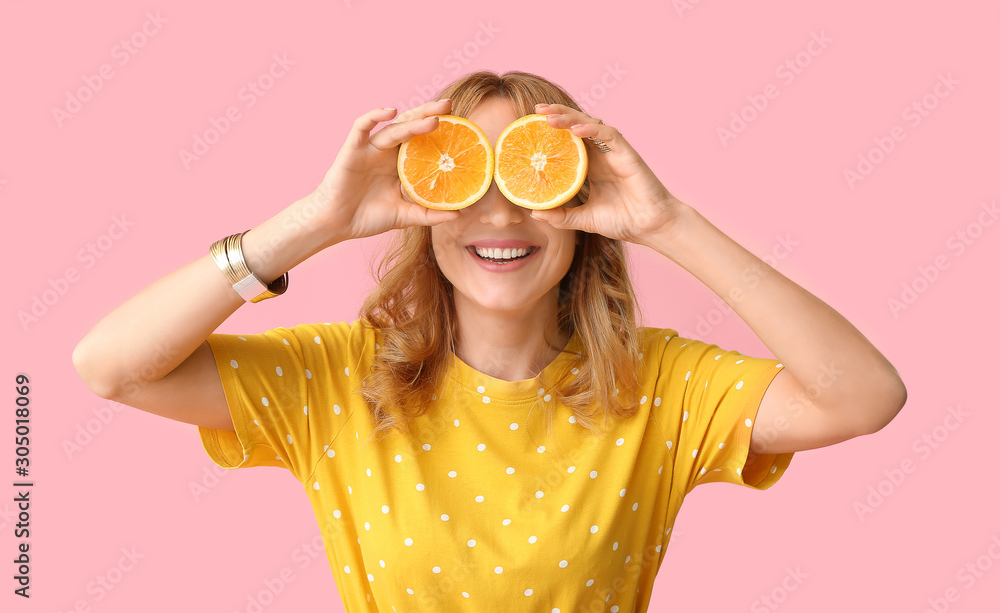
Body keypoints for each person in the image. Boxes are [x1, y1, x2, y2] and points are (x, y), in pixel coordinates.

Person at [72, 70, 907, 612]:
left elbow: (864, 394)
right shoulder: (338, 377)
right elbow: (108, 365)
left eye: (532, 177)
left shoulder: (659, 384)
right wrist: (312, 224)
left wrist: (668, 223)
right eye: (470, 180)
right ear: (421, 198)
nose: (501, 215)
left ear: (582, 205)